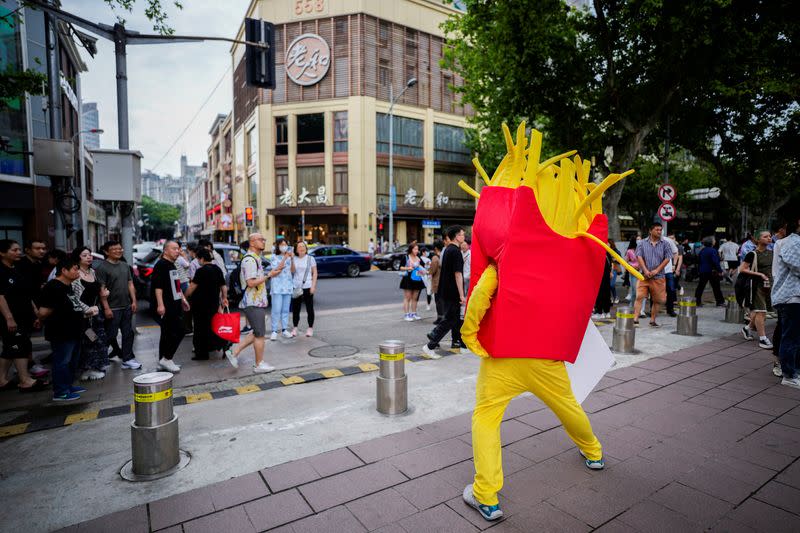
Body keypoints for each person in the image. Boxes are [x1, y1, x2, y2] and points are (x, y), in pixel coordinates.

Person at [37, 256, 95, 401]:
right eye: (75, 269)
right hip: (61, 332)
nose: (78, 272)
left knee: (72, 361)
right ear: (64, 270)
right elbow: (43, 312)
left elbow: (74, 305)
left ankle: (68, 386)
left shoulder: (68, 285)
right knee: (62, 361)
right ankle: (61, 391)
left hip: (74, 330)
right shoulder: (52, 287)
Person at [0, 240, 47, 392]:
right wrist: (9, 318)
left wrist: (35, 312)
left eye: (19, 249)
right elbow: (0, 297)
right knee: (19, 345)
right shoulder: (0, 271)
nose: (18, 252)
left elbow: (26, 294)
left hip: (24, 315)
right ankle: (24, 380)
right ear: (2, 253)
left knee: (11, 347)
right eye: (14, 250)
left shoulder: (16, 268)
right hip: (10, 318)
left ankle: (1, 379)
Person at [230, 233, 275, 372]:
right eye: (261, 240)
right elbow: (250, 282)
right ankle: (258, 364)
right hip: (253, 302)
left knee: (257, 332)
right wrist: (268, 276)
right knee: (260, 334)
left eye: (264, 239)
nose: (263, 242)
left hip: (256, 301)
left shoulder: (256, 258)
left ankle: (234, 352)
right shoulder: (250, 260)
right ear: (252, 242)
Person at [423, 226, 466, 358]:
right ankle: (430, 345)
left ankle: (462, 344)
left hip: (445, 290)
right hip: (453, 291)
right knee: (450, 320)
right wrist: (461, 295)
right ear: (457, 236)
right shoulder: (456, 252)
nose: (464, 237)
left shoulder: (447, 250)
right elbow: (458, 275)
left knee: (456, 319)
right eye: (462, 235)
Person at [96, 241, 141, 369]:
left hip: (126, 306)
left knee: (128, 333)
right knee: (110, 335)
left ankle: (127, 359)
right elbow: (102, 290)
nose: (118, 251)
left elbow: (130, 284)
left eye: (120, 249)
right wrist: (106, 308)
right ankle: (99, 360)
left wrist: (134, 301)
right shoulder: (102, 268)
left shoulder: (125, 265)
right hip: (112, 308)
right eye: (114, 249)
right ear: (106, 252)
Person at [151, 240, 190, 373]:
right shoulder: (161, 265)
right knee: (179, 330)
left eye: (178, 249)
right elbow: (158, 287)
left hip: (175, 303)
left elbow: (176, 285)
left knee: (167, 334)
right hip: (166, 305)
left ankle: (163, 361)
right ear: (165, 250)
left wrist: (183, 299)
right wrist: (160, 305)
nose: (177, 251)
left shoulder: (172, 264)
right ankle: (167, 359)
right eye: (174, 249)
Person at [72, 247, 109, 381]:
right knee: (89, 341)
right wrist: (87, 309)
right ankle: (87, 369)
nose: (89, 257)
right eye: (84, 255)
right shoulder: (75, 274)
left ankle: (95, 367)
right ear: (78, 258)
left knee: (99, 340)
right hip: (84, 317)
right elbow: (74, 298)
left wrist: (103, 295)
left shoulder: (92, 271)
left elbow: (97, 291)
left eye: (89, 255)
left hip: (95, 315)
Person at [772, 215, 800, 389]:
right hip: (791, 296)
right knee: (791, 337)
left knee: (793, 336)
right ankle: (789, 374)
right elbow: (797, 265)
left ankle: (793, 371)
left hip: (791, 297)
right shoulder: (792, 242)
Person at [185, 248, 228, 360]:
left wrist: (184, 297)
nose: (198, 261)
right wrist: (224, 298)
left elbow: (192, 287)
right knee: (212, 326)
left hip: (200, 305)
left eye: (198, 259)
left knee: (200, 329)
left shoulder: (201, 271)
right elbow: (223, 286)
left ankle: (202, 354)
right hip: (213, 303)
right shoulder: (217, 269)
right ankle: (221, 344)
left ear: (202, 259)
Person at [740, 230, 774, 350]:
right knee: (761, 312)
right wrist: (759, 274)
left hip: (769, 284)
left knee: (757, 311)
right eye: (765, 236)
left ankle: (747, 328)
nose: (769, 238)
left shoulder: (772, 253)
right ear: (758, 240)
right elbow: (742, 269)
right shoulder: (752, 254)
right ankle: (763, 339)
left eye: (770, 236)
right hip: (756, 285)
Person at [634, 223, 672, 327]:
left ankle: (652, 320)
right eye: (657, 230)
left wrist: (657, 270)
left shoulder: (665, 243)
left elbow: (668, 258)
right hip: (644, 276)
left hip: (659, 277)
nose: (659, 232)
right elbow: (639, 256)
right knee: (639, 297)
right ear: (650, 231)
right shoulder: (641, 243)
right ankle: (635, 319)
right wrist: (645, 270)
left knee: (658, 300)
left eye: (660, 230)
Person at [268, 238, 295, 340]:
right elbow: (277, 269)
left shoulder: (290, 257)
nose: (284, 246)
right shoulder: (274, 257)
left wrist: (292, 259)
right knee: (276, 309)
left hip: (287, 286)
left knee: (285, 309)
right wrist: (284, 258)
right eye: (282, 244)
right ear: (278, 246)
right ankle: (274, 330)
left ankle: (284, 329)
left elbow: (293, 270)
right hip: (277, 287)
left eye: (286, 244)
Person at [290, 241, 318, 337]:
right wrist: (292, 259)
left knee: (309, 308)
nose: (301, 248)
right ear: (296, 249)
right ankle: (295, 328)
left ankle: (310, 328)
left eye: (303, 246)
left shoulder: (311, 259)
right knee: (296, 308)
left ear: (306, 248)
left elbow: (315, 273)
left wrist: (313, 286)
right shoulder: (294, 258)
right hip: (296, 286)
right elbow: (292, 271)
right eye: (299, 246)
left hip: (308, 286)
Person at [695, 237, 726, 307]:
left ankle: (697, 301)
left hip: (703, 270)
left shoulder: (702, 250)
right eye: (714, 240)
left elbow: (699, 260)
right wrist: (720, 270)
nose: (715, 241)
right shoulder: (713, 250)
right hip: (712, 271)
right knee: (716, 287)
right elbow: (715, 261)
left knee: (700, 287)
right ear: (711, 242)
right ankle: (720, 301)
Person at [400, 243, 426, 321]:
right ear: (411, 249)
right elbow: (401, 267)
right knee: (407, 298)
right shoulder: (406, 257)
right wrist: (408, 268)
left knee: (415, 298)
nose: (416, 251)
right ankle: (406, 314)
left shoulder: (419, 258)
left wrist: (423, 271)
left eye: (417, 249)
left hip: (417, 279)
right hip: (408, 279)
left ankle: (414, 313)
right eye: (415, 249)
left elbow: (422, 268)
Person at [662, 233, 680, 316]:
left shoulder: (668, 241)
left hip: (668, 270)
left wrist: (674, 265)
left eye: (660, 230)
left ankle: (670, 309)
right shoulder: (648, 242)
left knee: (671, 289)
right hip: (655, 271)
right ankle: (652, 309)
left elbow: (676, 252)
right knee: (654, 290)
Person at [592, 253, 613, 319]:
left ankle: (599, 312)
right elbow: (611, 264)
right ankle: (607, 312)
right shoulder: (607, 253)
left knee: (600, 293)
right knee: (606, 293)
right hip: (606, 276)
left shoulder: (598, 253)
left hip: (600, 276)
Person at [428, 241, 444, 323]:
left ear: (435, 248)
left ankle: (440, 317)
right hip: (443, 280)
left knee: (438, 300)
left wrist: (428, 271)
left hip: (437, 281)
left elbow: (432, 270)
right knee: (442, 300)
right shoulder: (443, 255)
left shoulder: (435, 258)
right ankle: (443, 316)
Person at [623, 237, 640, 303]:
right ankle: (632, 304)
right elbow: (625, 262)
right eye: (637, 240)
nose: (639, 241)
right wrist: (631, 267)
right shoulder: (629, 251)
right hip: (633, 272)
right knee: (634, 289)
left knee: (641, 290)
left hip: (642, 271)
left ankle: (640, 307)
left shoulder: (641, 250)